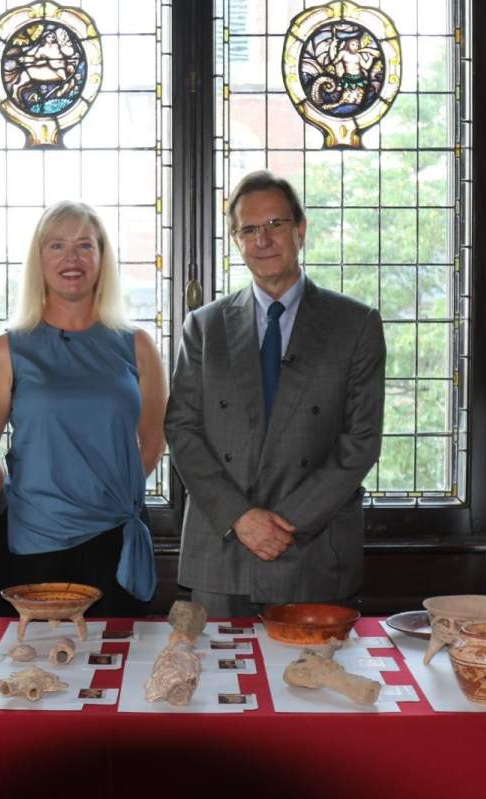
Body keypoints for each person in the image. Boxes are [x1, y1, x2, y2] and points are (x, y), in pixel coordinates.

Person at [165, 170, 385, 619]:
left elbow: (360, 442)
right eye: (249, 229)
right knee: (218, 687)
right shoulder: (204, 327)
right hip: (221, 552)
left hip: (313, 553)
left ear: (300, 230)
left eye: (275, 225)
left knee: (314, 686)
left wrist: (284, 525)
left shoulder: (355, 324)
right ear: (235, 240)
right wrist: (241, 519)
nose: (262, 240)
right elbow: (182, 429)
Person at [0, 200, 167, 617]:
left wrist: (104, 493)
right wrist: (26, 507)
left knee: (116, 672)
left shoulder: (138, 346)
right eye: (56, 246)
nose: (71, 258)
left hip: (116, 541)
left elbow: (153, 440)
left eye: (84, 246)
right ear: (38, 260)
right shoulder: (8, 350)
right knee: (29, 673)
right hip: (33, 547)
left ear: (102, 257)